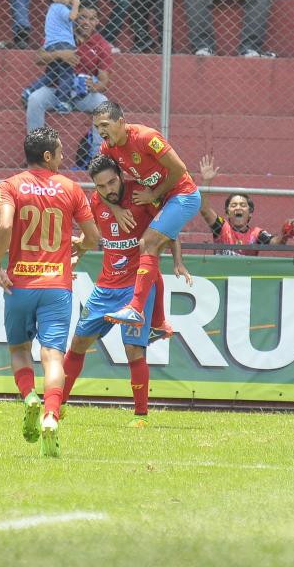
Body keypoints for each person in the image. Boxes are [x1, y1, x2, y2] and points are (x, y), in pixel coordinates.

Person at [0, 127, 100, 457]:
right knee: (52, 355)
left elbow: (6, 226)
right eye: (62, 152)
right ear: (48, 155)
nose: (65, 157)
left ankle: (29, 397)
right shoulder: (70, 188)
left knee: (19, 350)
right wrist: (78, 249)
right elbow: (93, 236)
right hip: (56, 286)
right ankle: (51, 416)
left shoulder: (9, 186)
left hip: (19, 284)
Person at [62, 155, 191, 427]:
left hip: (136, 285)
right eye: (101, 186)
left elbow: (170, 229)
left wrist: (178, 261)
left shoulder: (141, 195)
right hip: (105, 286)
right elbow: (93, 237)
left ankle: (141, 416)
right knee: (77, 346)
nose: (109, 189)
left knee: (133, 350)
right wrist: (78, 256)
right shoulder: (96, 202)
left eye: (112, 182)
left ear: (121, 176)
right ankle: (57, 405)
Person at [92, 101, 201, 326]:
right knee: (151, 256)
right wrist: (116, 208)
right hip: (162, 200)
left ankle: (135, 309)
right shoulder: (107, 149)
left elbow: (180, 169)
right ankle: (159, 324)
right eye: (97, 127)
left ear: (121, 122)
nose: (101, 131)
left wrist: (154, 194)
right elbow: (99, 183)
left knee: (147, 243)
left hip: (183, 195)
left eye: (104, 124)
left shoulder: (146, 137)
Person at [26, 2, 113, 168]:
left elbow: (104, 82)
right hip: (56, 89)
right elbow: (39, 58)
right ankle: (36, 157)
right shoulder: (61, 34)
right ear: (74, 18)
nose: (87, 22)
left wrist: (93, 86)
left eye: (92, 18)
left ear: (97, 22)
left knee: (103, 103)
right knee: (35, 99)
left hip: (81, 94)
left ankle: (98, 158)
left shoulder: (102, 45)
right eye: (82, 17)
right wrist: (60, 54)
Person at [198, 154, 294, 255]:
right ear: (227, 212)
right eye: (233, 205)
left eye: (242, 205)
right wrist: (206, 181)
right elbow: (204, 209)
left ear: (250, 213)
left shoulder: (256, 234)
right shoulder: (222, 227)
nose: (238, 207)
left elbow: (276, 243)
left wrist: (284, 234)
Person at [21, 0, 81, 113]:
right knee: (66, 74)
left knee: (51, 74)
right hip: (63, 43)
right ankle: (63, 101)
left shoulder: (52, 9)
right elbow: (72, 16)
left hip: (50, 45)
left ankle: (30, 90)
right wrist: (75, 5)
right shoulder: (61, 8)